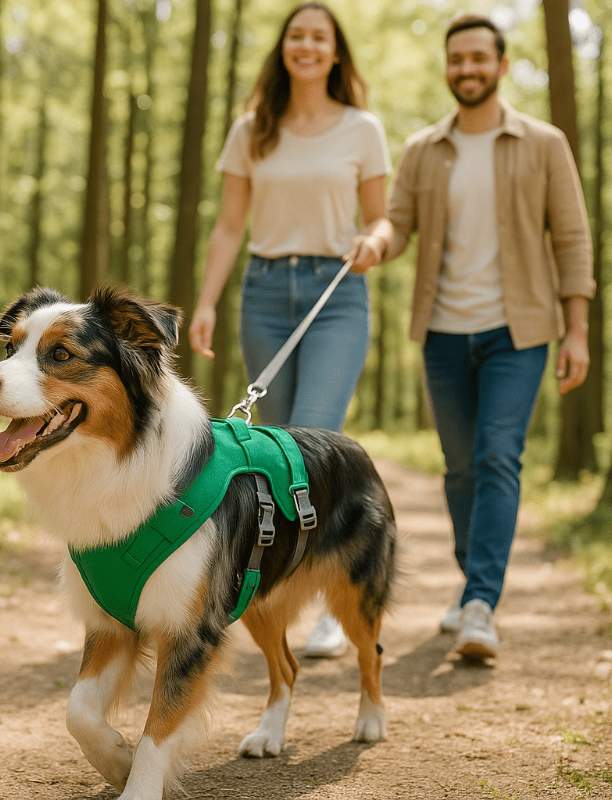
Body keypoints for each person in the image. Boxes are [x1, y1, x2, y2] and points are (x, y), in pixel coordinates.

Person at [384, 14, 595, 660]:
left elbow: (572, 237)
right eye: (457, 59)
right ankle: (473, 580)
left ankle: (480, 602)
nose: (467, 69)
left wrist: (577, 330)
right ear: (448, 67)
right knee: (460, 470)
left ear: (502, 65)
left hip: (520, 331)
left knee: (498, 455)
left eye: (479, 58)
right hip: (443, 333)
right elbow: (397, 225)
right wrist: (373, 243)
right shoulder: (424, 148)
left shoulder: (543, 142)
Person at [188, 2, 393, 658]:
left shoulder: (363, 129)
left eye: (319, 38)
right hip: (266, 290)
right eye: (296, 36)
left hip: (337, 293)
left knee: (315, 438)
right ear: (285, 49)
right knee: (272, 449)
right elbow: (227, 225)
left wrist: (375, 243)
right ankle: (270, 587)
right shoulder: (253, 129)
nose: (306, 46)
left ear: (335, 53)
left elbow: (383, 220)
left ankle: (337, 597)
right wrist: (207, 301)